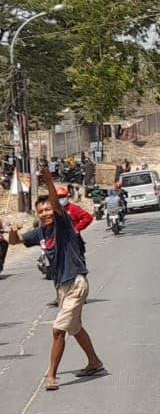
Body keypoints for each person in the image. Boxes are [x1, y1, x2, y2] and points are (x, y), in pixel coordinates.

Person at [7, 166, 107, 391]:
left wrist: (48, 182)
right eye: (41, 211)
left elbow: (54, 202)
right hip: (62, 286)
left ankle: (51, 375)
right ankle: (94, 361)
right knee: (75, 327)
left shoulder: (63, 224)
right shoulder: (41, 232)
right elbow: (15, 242)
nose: (45, 213)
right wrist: (12, 231)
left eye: (48, 209)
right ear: (37, 214)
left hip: (76, 282)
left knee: (57, 329)